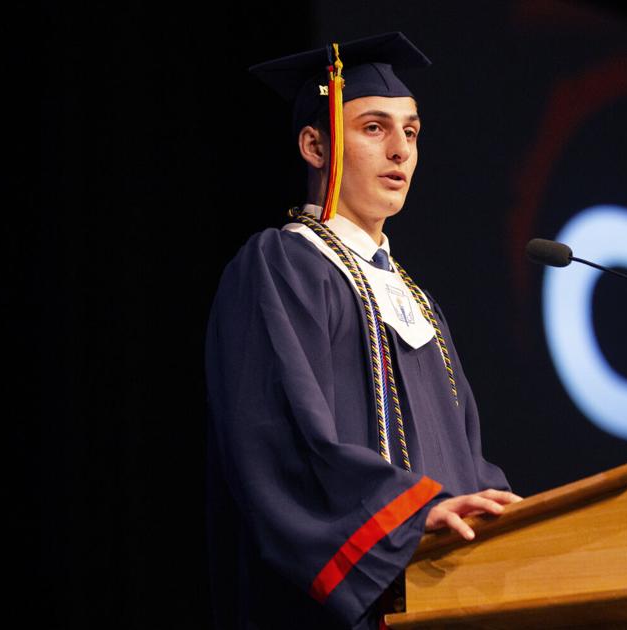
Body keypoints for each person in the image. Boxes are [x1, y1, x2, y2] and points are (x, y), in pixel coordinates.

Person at [205, 32, 518, 630]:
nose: (401, 151)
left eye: (412, 131)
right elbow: (280, 439)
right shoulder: (281, 264)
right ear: (315, 145)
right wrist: (407, 515)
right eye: (375, 128)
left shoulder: (419, 302)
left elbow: (467, 463)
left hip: (444, 605)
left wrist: (512, 519)